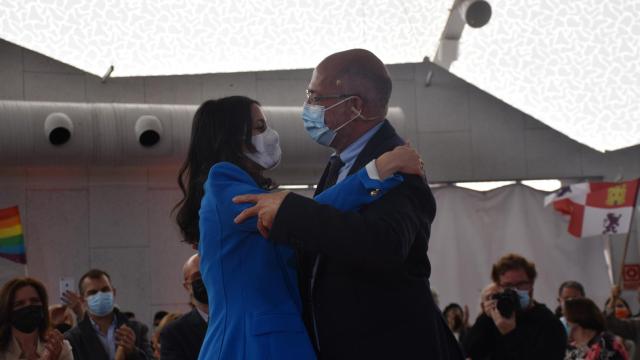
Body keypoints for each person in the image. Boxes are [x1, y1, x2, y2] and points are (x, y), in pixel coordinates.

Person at [232, 49, 462, 359]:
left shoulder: (399, 166)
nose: (307, 108)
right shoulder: (338, 164)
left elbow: (385, 244)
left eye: (316, 98)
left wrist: (290, 211)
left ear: (355, 106)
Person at [174, 95, 423, 360]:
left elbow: (299, 216)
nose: (270, 135)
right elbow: (296, 214)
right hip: (253, 345)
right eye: (259, 128)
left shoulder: (244, 191)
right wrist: (377, 171)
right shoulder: (223, 181)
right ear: (230, 136)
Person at [463, 253, 567, 360]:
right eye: (508, 286)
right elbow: (467, 351)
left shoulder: (549, 323)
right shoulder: (495, 317)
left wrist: (510, 334)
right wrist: (485, 317)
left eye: (521, 284)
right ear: (498, 287)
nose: (515, 290)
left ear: (531, 284)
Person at [64, 269, 153, 360]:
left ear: (113, 292)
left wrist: (133, 352)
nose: (100, 295)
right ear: (82, 299)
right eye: (93, 293)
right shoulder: (73, 339)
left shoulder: (137, 329)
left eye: (105, 290)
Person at [0, 277, 73, 359]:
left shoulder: (59, 347)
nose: (28, 306)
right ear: (7, 311)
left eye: (34, 301)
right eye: (19, 304)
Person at [158, 255, 208, 360]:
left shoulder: (237, 320)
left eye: (207, 272)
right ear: (187, 286)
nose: (204, 279)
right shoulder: (174, 333)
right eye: (197, 276)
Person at [602, 286, 640, 360]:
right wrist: (613, 298)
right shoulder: (636, 325)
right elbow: (609, 322)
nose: (618, 309)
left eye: (620, 306)